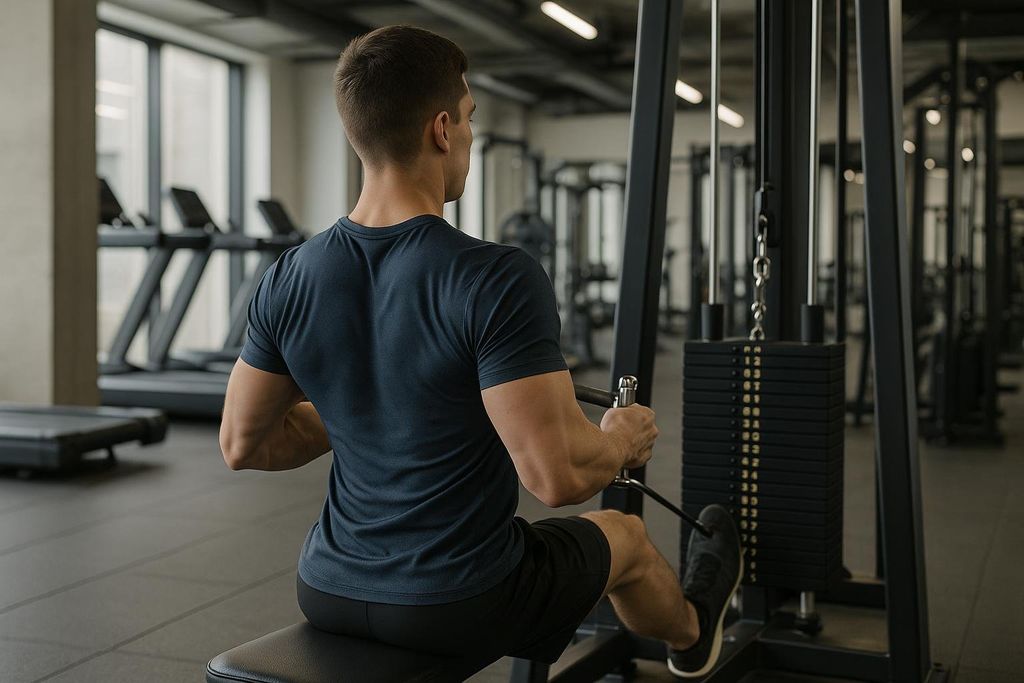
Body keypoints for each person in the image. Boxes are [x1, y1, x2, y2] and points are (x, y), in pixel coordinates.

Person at [218, 25, 742, 678]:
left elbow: (245, 443)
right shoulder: (493, 275)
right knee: (627, 539)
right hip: (459, 599)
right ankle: (693, 637)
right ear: (441, 129)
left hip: (326, 588)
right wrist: (621, 438)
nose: (468, 135)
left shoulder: (290, 273)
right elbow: (559, 478)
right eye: (468, 118)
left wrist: (375, 406)